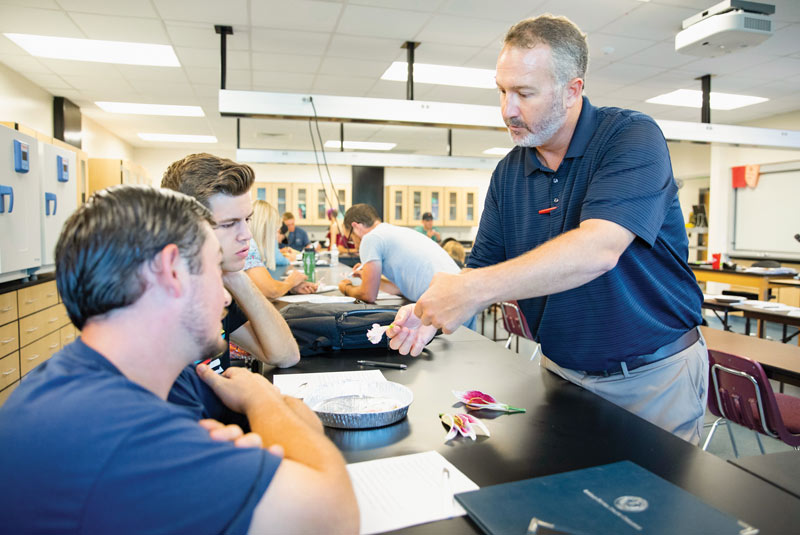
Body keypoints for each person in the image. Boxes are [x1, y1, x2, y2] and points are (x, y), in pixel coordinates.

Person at [387, 15, 707, 444]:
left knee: (646, 507)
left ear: (572, 90)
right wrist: (429, 312)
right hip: (560, 373)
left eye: (524, 93)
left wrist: (470, 291)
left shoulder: (631, 138)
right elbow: (482, 267)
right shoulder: (509, 172)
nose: (507, 110)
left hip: (650, 378)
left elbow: (599, 250)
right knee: (559, 501)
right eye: (502, 91)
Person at [0, 185, 358, 534]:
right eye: (215, 270)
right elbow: (335, 514)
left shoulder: (85, 384)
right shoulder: (117, 435)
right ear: (172, 270)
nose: (226, 297)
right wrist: (261, 398)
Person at [162, 153, 300, 371]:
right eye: (229, 224)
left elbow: (286, 355)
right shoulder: (157, 305)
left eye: (247, 220)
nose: (247, 235)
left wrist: (236, 276)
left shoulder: (218, 286)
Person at [338, 204, 474, 327]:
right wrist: (369, 278)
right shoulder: (394, 231)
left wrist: (346, 287)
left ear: (356, 226)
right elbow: (401, 288)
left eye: (350, 238)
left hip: (443, 303)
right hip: (463, 298)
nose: (354, 245)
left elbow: (368, 295)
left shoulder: (370, 238)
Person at [247, 199, 317, 298]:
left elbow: (261, 287)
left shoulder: (253, 247)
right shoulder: (249, 247)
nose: (277, 236)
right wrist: (291, 282)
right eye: (275, 230)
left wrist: (290, 288)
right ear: (264, 228)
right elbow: (271, 290)